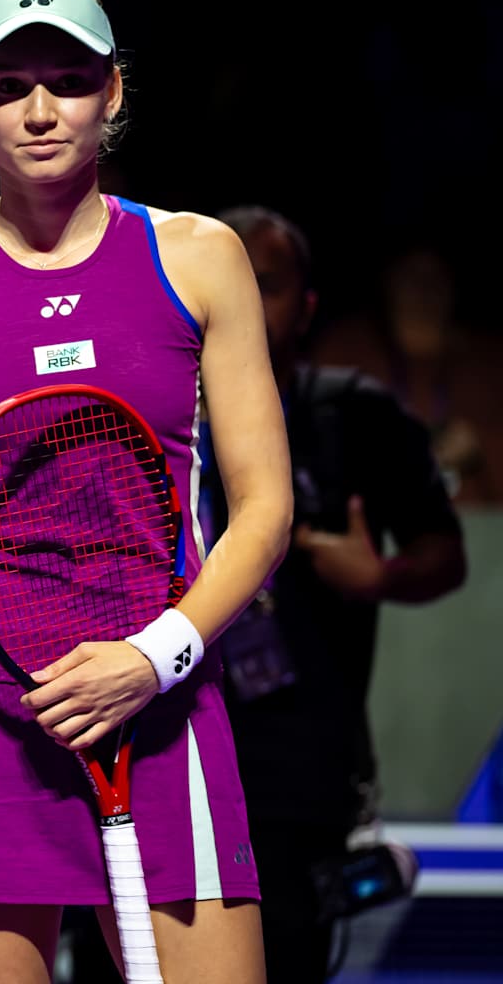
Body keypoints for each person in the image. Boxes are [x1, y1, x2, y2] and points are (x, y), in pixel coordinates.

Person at [0, 0, 290, 982]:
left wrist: (153, 656)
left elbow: (264, 510)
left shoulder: (200, 257)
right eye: (11, 86)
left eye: (68, 81)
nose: (40, 112)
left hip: (162, 700)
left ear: (113, 93)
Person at [215, 206, 465, 982]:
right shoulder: (153, 415)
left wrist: (380, 577)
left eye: (270, 287)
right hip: (163, 755)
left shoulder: (354, 413)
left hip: (301, 776)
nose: (249, 306)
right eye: (233, 287)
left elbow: (443, 553)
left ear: (308, 306)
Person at [310, 243, 503, 504]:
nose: (424, 291)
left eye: (436, 277)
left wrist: (480, 442)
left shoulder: (489, 359)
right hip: (371, 528)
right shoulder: (343, 351)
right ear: (388, 282)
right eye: (411, 277)